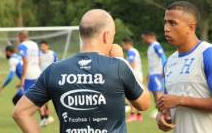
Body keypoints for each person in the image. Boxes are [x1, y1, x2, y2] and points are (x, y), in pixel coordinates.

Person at [12, 9, 150, 133]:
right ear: (106, 36)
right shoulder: (119, 67)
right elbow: (144, 103)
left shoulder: (54, 70)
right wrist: (121, 60)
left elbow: (20, 112)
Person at [156, 1, 212, 133]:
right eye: (165, 22)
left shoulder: (209, 54)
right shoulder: (169, 62)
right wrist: (163, 116)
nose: (166, 28)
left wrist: (180, 100)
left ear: (191, 27)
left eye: (173, 23)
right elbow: (170, 104)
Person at [17, 31, 48, 124]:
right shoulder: (34, 44)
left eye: (18, 36)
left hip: (29, 75)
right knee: (37, 96)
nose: (17, 38)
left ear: (21, 36)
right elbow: (38, 60)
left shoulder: (22, 46)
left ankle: (41, 117)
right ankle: (44, 117)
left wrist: (22, 78)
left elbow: (25, 62)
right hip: (37, 72)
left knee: (28, 98)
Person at [141, 31, 166, 118]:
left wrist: (164, 69)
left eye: (144, 38)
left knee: (158, 92)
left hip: (157, 73)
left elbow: (162, 56)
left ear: (149, 37)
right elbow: (153, 62)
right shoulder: (151, 47)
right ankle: (159, 110)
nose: (143, 40)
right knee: (155, 93)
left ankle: (163, 111)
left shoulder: (156, 45)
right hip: (153, 73)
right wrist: (149, 74)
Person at [122, 38, 144, 122]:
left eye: (123, 44)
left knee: (131, 95)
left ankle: (133, 114)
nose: (123, 46)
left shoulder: (131, 51)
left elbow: (132, 64)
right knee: (138, 95)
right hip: (139, 74)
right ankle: (139, 115)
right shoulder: (135, 51)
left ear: (127, 44)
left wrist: (129, 74)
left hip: (134, 75)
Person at [39, 40, 57, 126]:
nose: (42, 48)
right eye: (41, 46)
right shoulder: (38, 54)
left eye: (43, 46)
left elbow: (56, 65)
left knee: (48, 99)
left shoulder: (53, 54)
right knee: (43, 99)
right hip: (41, 78)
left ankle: (46, 117)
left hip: (51, 78)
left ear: (47, 46)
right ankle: (44, 117)